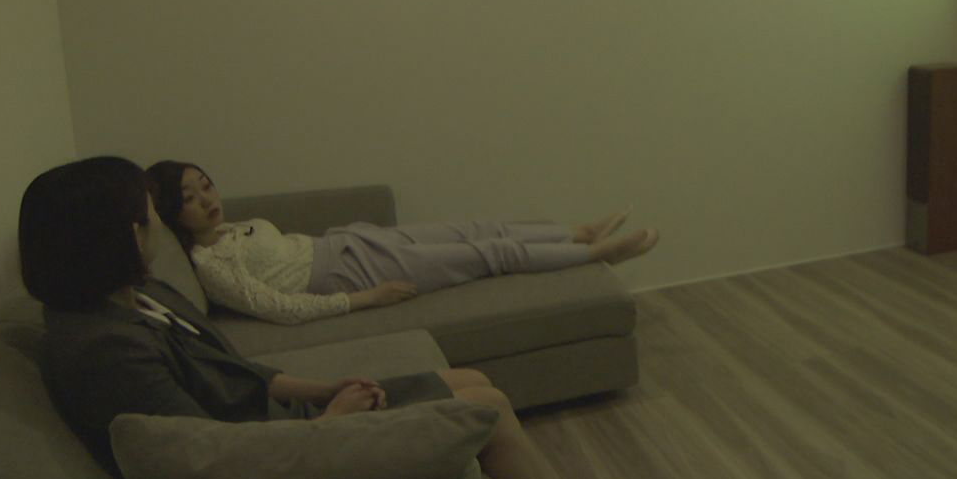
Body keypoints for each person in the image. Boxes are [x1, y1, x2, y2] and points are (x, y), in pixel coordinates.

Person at [19, 156, 600, 479]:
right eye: (152, 215)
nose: (162, 225)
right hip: (283, 457)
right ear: (128, 234)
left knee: (472, 379)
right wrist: (329, 422)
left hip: (285, 421)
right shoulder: (106, 351)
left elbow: (237, 370)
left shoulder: (139, 296)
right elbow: (205, 464)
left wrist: (324, 389)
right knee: (488, 408)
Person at [145, 161, 658, 324]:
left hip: (348, 243)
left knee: (476, 228)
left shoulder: (232, 228)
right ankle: (595, 255)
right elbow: (281, 308)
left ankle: (577, 232)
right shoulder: (209, 263)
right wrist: (367, 298)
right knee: (486, 255)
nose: (207, 199)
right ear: (172, 211)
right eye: (189, 197)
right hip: (346, 275)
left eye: (206, 185)